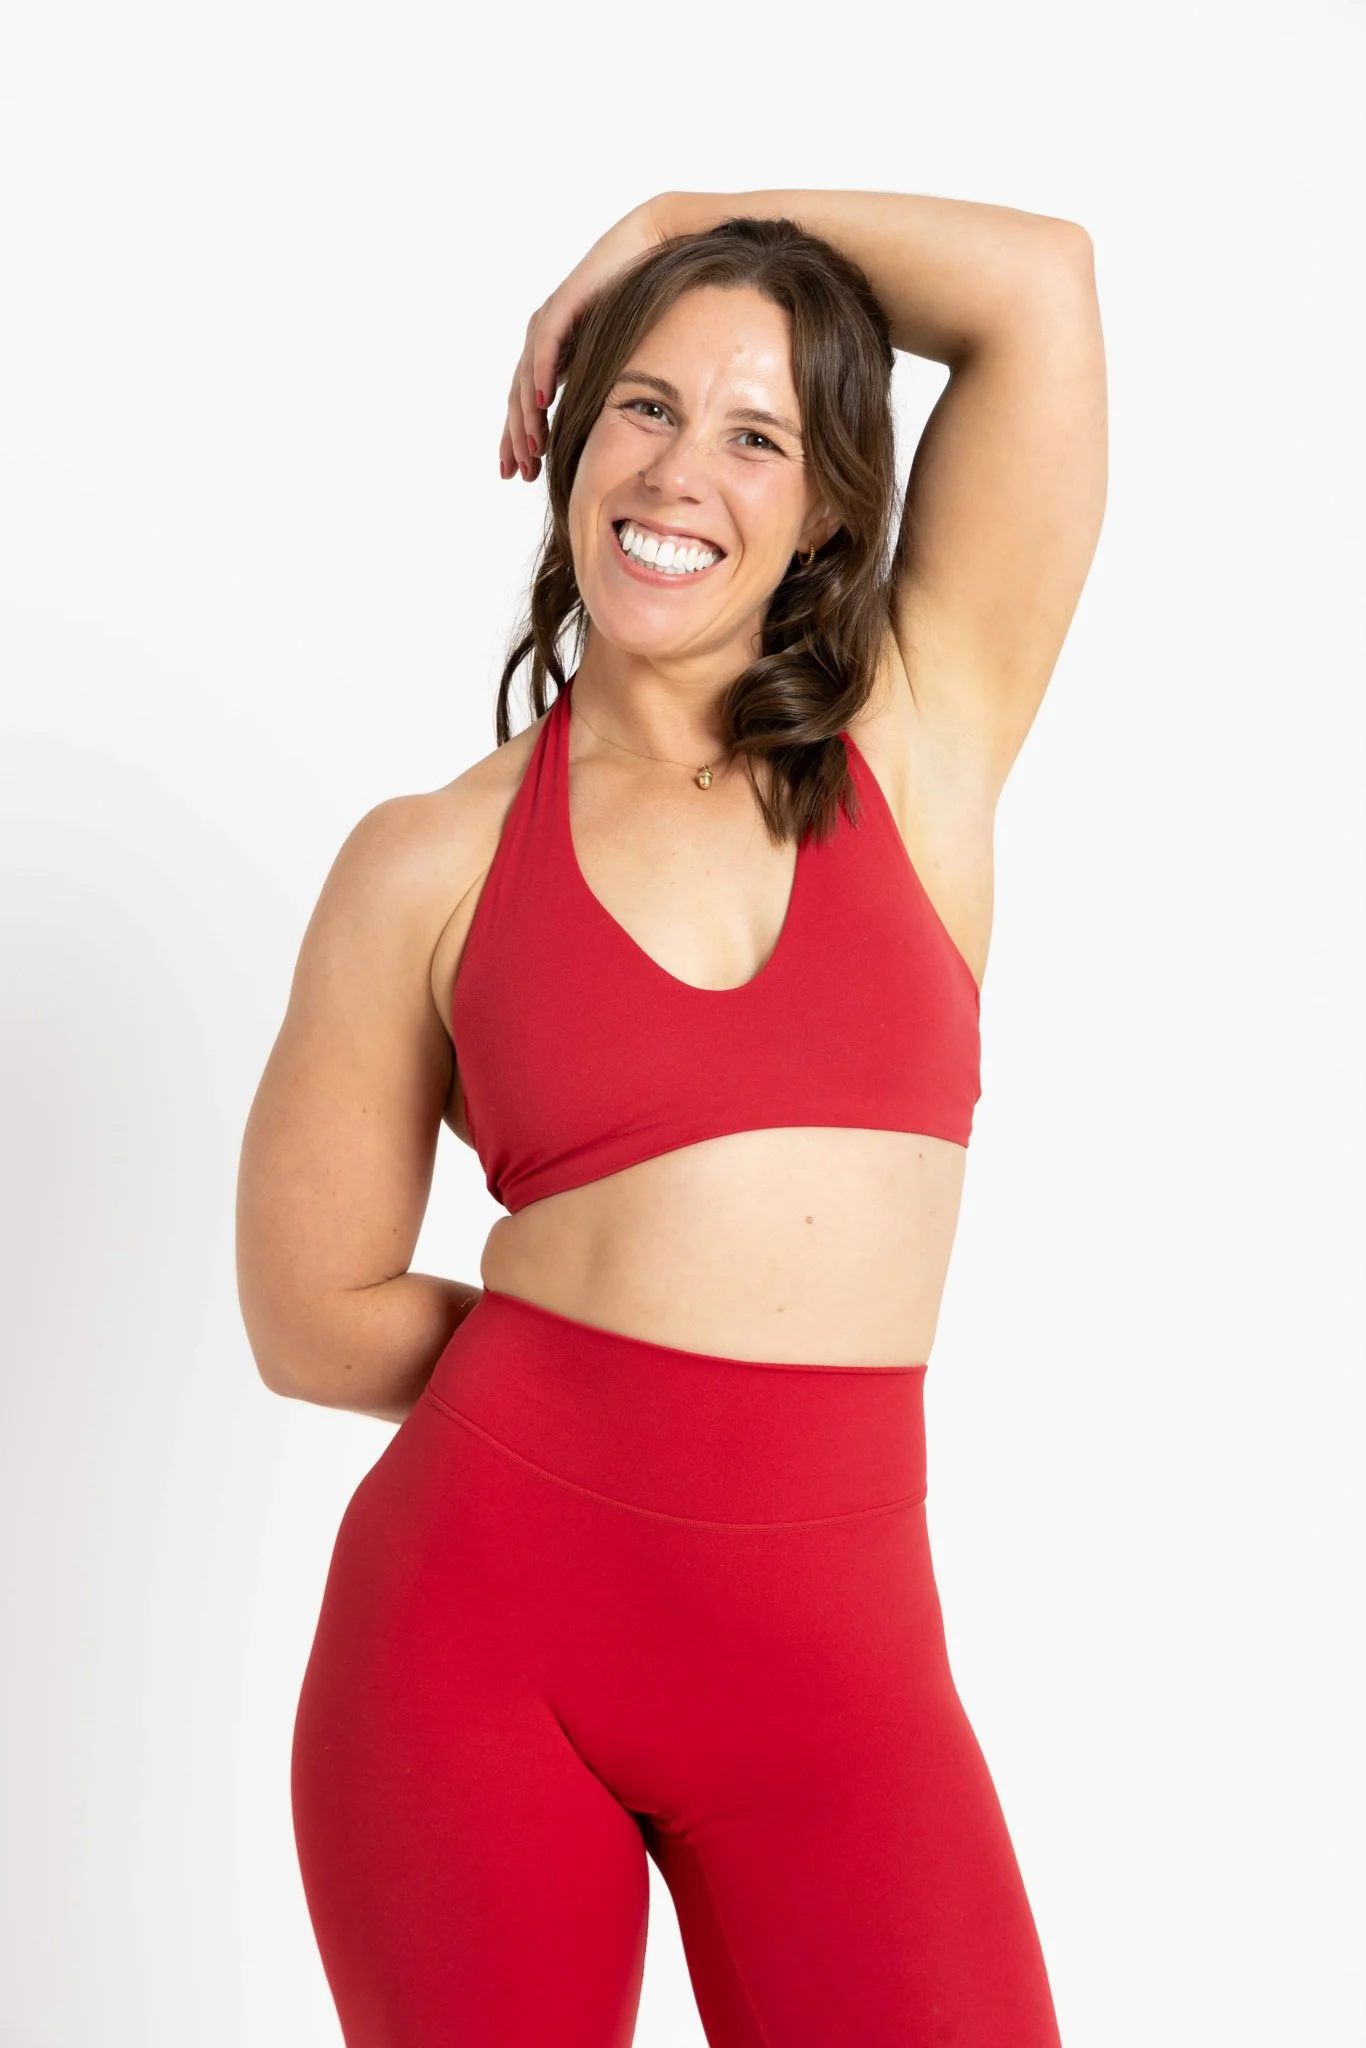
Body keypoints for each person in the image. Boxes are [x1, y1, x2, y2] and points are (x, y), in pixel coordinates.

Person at [236, 187, 1108, 2047]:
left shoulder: (917, 738)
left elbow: (1041, 290)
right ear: (567, 436)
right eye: (642, 402)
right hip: (474, 1659)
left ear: (822, 510)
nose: (681, 469)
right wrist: (606, 1418)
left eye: (756, 432)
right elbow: (305, 1319)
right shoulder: (427, 862)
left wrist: (678, 218)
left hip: (845, 1683)